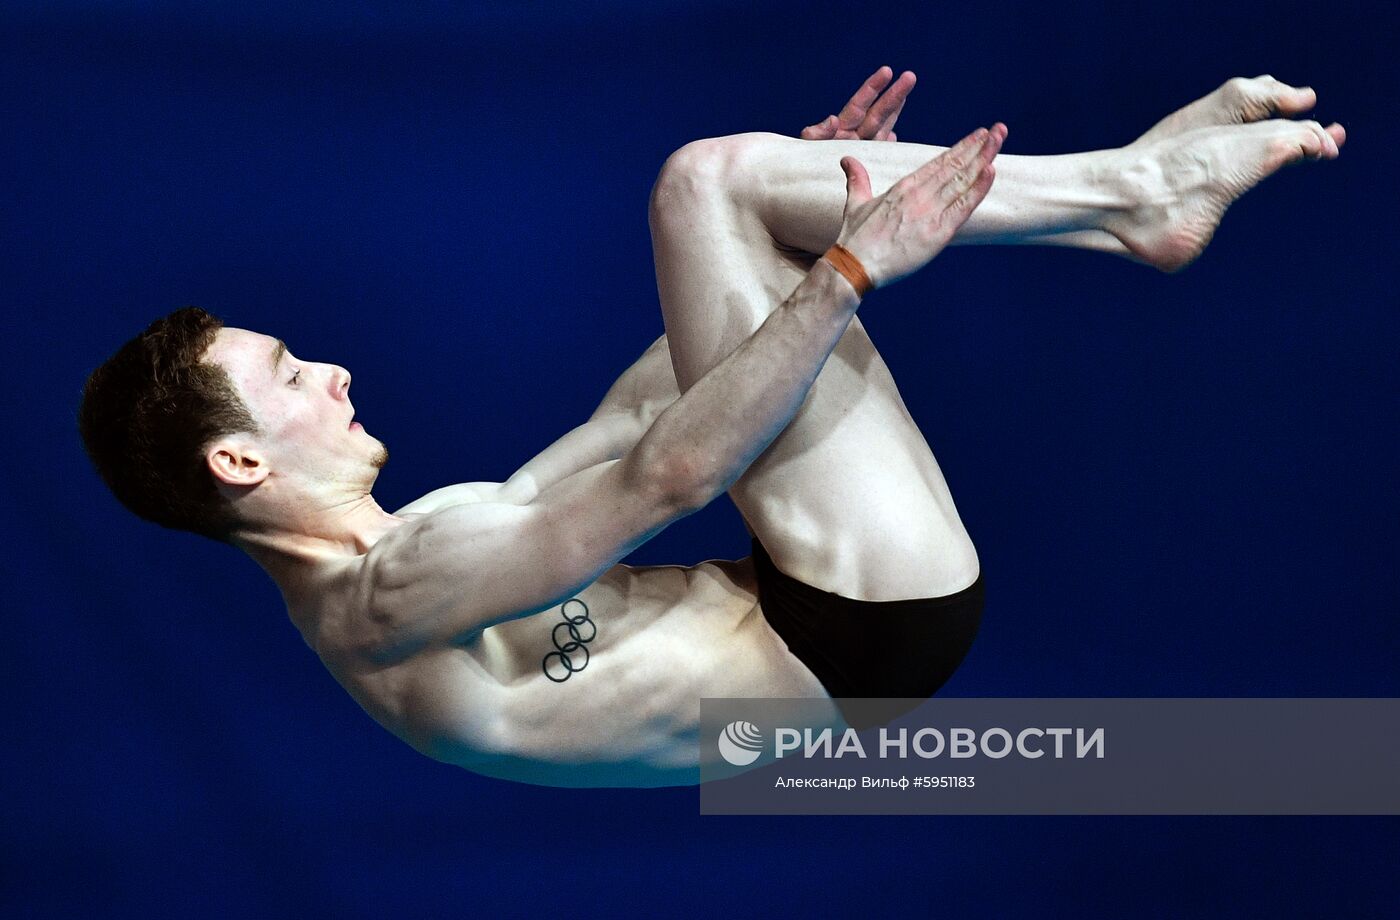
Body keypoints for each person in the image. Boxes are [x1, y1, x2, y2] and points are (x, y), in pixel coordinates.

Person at [78, 69, 1344, 787]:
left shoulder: (419, 543)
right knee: (703, 182)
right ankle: (1130, 190)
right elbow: (676, 467)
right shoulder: (385, 597)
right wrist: (837, 273)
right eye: (289, 372)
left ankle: (1124, 195)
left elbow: (640, 411)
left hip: (834, 614)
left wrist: (781, 240)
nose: (334, 369)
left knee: (732, 196)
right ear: (236, 460)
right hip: (851, 635)